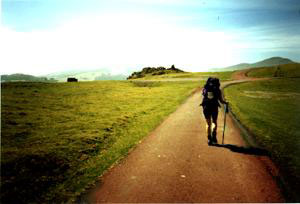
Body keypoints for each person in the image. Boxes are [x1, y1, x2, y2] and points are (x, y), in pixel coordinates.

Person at [200, 77, 228, 145]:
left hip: (206, 107)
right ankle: (214, 135)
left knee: (208, 124)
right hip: (214, 107)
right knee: (214, 122)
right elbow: (221, 101)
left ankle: (209, 139)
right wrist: (226, 102)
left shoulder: (205, 89)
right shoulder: (218, 90)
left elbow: (203, 95)